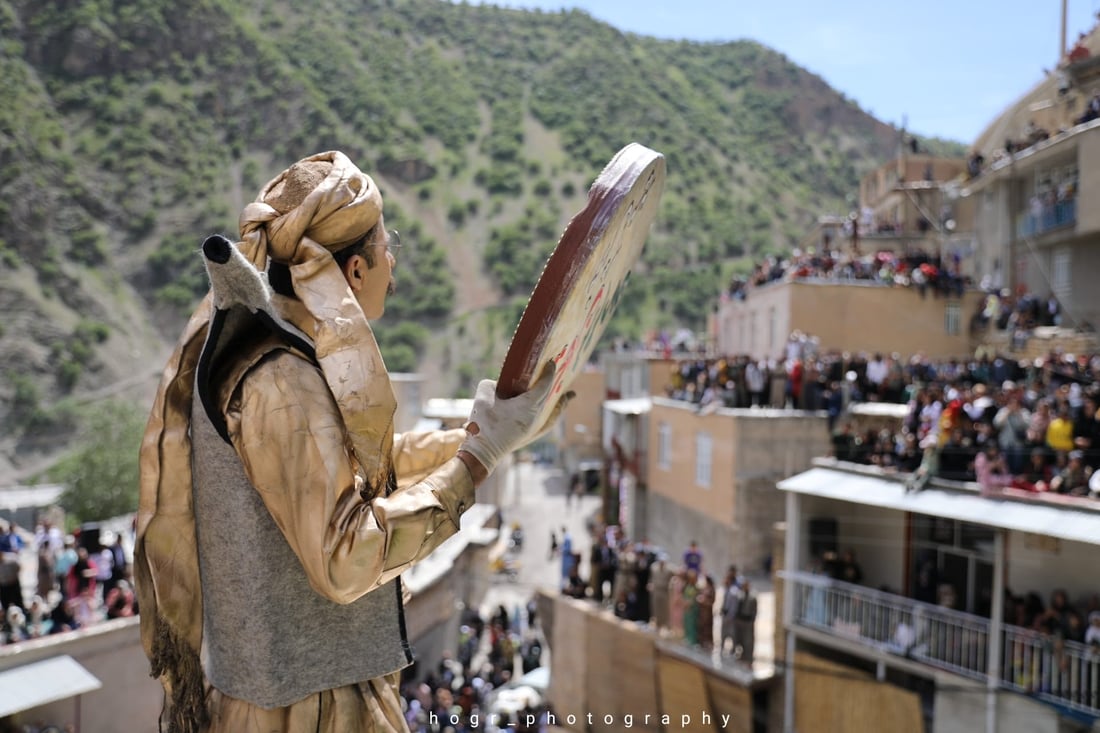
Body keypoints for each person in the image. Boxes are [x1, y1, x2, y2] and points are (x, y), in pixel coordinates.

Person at [134, 151, 570, 733]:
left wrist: (480, 437)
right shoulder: (282, 383)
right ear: (357, 271)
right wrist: (477, 459)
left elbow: (367, 464)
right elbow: (346, 558)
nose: (395, 261)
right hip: (300, 714)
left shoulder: (296, 365)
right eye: (387, 247)